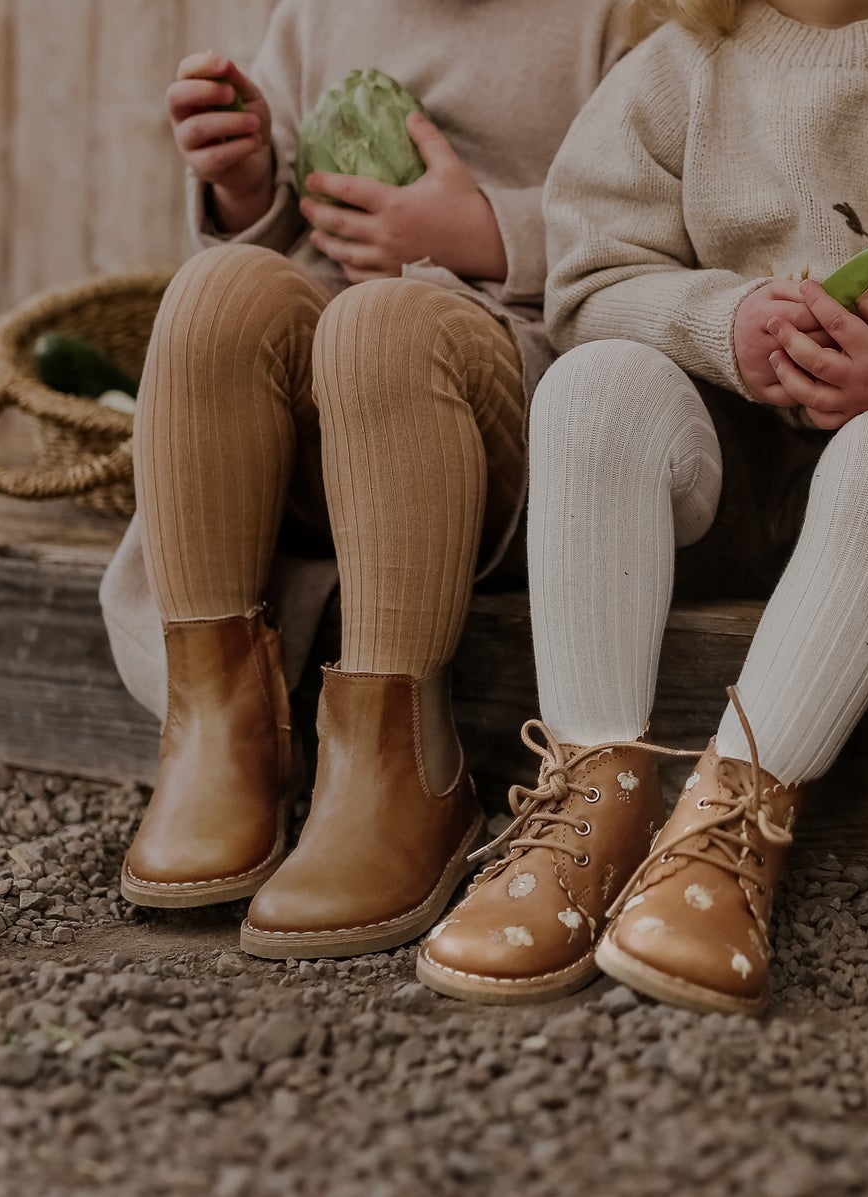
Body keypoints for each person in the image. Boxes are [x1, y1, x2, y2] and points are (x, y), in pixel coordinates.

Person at [412, 0, 868, 1008]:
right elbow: (591, 278)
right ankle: (592, 799)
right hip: (732, 476)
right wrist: (719, 321)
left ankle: (725, 828)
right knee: (590, 386)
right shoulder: (681, 65)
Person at [103, 0, 636, 962]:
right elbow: (281, 243)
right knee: (213, 293)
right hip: (325, 421)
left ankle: (400, 770)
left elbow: (666, 223)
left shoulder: (615, 20)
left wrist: (487, 233)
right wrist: (246, 179)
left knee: (381, 322)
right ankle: (223, 733)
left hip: (482, 409)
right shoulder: (318, 15)